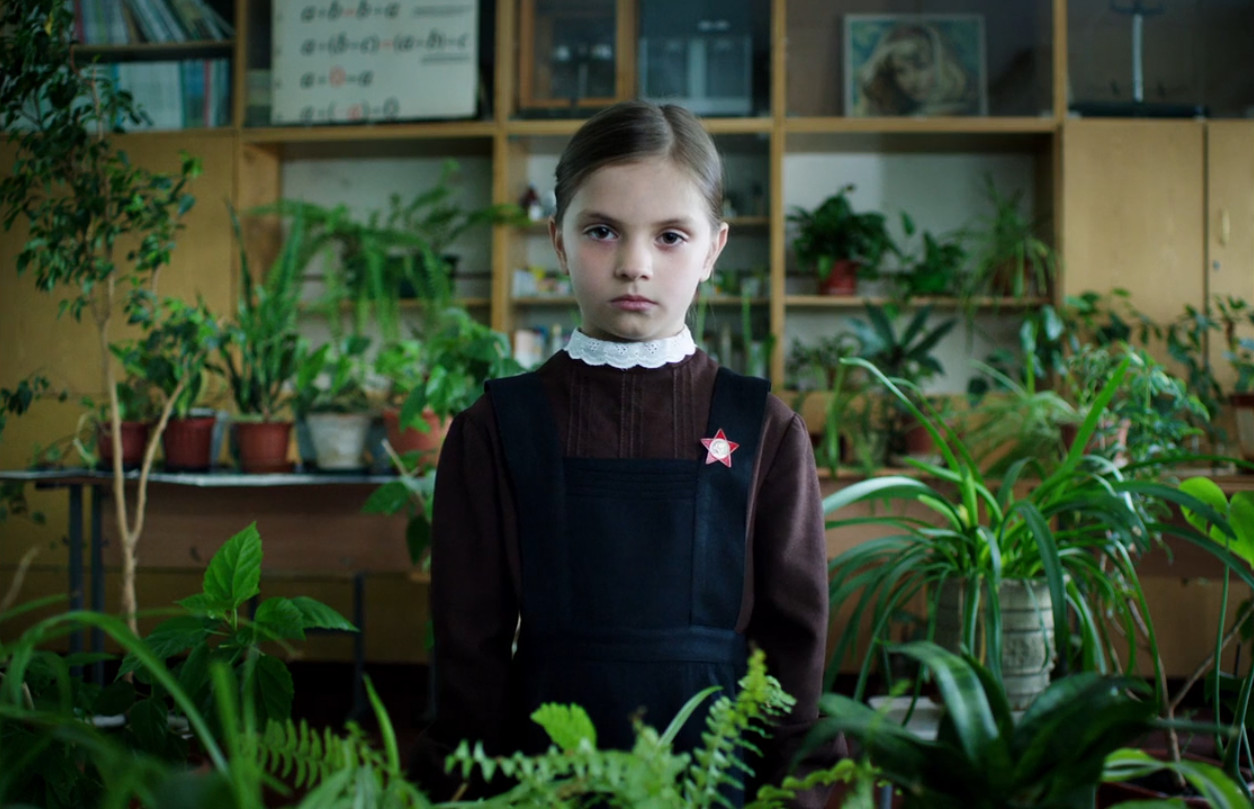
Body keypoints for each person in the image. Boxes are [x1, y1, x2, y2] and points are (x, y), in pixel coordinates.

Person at [409, 100, 838, 806]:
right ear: (558, 240)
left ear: (714, 249)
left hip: (720, 785)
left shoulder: (765, 430)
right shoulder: (495, 430)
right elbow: (468, 654)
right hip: (540, 785)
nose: (634, 265)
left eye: (670, 236)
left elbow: (793, 655)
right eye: (602, 231)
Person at [853, 22, 981, 116]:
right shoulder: (891, 114)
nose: (912, 80)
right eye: (900, 71)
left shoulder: (960, 113)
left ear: (941, 64)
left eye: (921, 66)